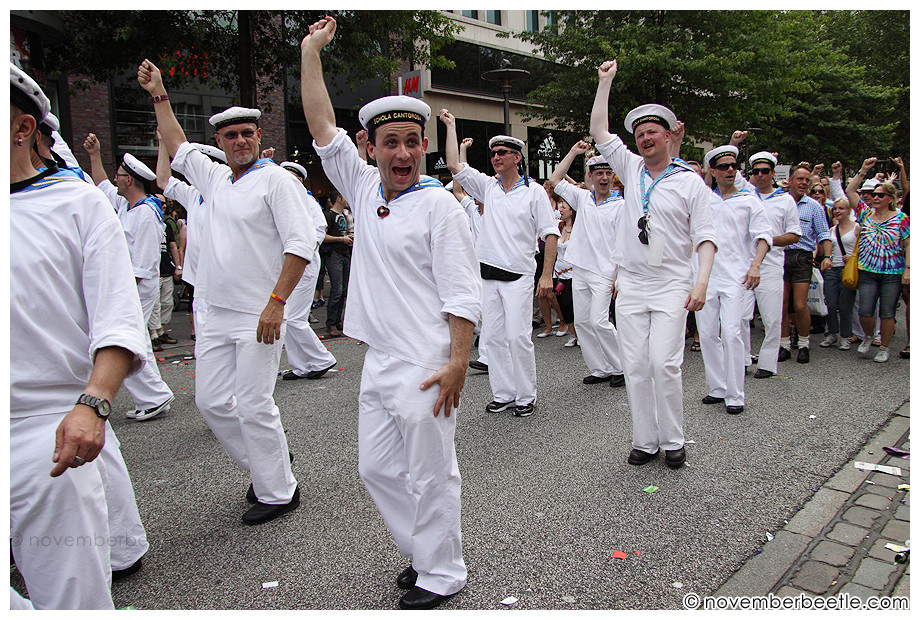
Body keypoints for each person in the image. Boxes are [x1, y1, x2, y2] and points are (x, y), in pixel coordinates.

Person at [300, 17, 481, 610]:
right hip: (380, 360)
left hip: (428, 362)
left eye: (411, 141)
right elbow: (321, 124)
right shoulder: (364, 187)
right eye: (390, 143)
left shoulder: (441, 209)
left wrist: (458, 363)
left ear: (424, 146)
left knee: (432, 475)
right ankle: (423, 552)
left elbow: (461, 293)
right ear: (369, 147)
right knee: (377, 471)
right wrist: (311, 53)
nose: (402, 153)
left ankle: (442, 572)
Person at [139, 59, 313, 525]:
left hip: (259, 313)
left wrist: (277, 304)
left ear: (258, 138)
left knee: (255, 402)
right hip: (213, 312)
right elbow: (175, 143)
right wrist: (159, 92)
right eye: (231, 135)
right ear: (218, 142)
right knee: (211, 402)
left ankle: (278, 490)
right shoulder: (213, 178)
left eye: (247, 133)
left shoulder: (275, 180)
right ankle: (269, 462)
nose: (240, 141)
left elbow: (300, 245)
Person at [10, 62, 149, 609]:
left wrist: (94, 404)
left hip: (42, 429)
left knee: (73, 596)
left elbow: (117, 317)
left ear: (23, 128)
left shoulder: (77, 204)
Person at [590, 59, 717, 469]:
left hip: (672, 283)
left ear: (668, 136)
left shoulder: (688, 181)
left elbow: (706, 238)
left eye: (652, 133)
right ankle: (644, 440)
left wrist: (700, 285)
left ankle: (674, 438)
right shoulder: (630, 168)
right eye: (639, 134)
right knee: (636, 365)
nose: (645, 139)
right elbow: (599, 132)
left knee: (664, 362)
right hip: (632, 283)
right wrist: (605, 83)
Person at [441, 111, 559, 418]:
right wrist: (451, 126)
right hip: (488, 275)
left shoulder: (534, 193)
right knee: (492, 339)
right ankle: (504, 393)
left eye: (502, 153)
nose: (495, 157)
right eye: (493, 153)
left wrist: (546, 275)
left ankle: (526, 395)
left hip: (519, 275)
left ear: (516, 157)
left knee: (518, 337)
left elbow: (550, 234)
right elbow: (454, 164)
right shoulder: (487, 187)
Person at [82, 134, 175, 420]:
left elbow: (144, 262)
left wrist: (124, 292)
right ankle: (155, 395)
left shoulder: (146, 213)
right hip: (128, 285)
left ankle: (154, 396)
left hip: (138, 285)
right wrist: (95, 155)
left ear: (129, 181)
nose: (115, 179)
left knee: (126, 336)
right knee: (136, 338)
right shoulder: (127, 206)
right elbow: (100, 186)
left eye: (119, 175)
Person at [697, 146, 771, 414]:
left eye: (734, 165)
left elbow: (764, 236)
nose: (730, 170)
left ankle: (735, 394)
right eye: (724, 166)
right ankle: (717, 388)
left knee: (731, 332)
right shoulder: (705, 199)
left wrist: (756, 265)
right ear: (713, 172)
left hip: (736, 277)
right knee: (706, 333)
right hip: (706, 276)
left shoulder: (749, 199)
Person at [549, 141, 625, 387]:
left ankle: (621, 367)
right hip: (579, 269)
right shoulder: (583, 198)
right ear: (590, 176)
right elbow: (555, 179)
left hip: (605, 272)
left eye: (608, 173)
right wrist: (573, 152)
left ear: (613, 176)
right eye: (599, 173)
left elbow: (624, 244)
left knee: (599, 321)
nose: (604, 178)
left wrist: (618, 276)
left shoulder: (621, 205)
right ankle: (600, 369)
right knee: (581, 322)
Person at [735, 151, 803, 379]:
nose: (760, 175)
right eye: (756, 171)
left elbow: (794, 235)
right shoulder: (745, 195)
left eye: (765, 171)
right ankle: (743, 358)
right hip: (744, 264)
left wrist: (766, 240)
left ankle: (767, 363)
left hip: (771, 265)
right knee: (741, 316)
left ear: (773, 173)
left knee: (772, 317)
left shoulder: (785, 200)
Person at [277, 160, 338, 379]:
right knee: (288, 318)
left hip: (304, 263)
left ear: (300, 180)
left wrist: (305, 251)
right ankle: (301, 366)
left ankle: (322, 359)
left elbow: (319, 227)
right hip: (287, 265)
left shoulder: (307, 199)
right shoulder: (284, 199)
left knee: (294, 318)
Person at [846, 158, 910, 362]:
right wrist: (864, 169)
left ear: (890, 198)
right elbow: (850, 191)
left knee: (888, 312)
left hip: (892, 272)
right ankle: (867, 337)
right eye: (873, 195)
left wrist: (908, 269)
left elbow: (909, 244)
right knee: (865, 310)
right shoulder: (865, 214)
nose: (875, 198)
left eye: (880, 195)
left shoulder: (901, 218)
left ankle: (884, 347)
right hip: (867, 270)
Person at [779, 164, 833, 364]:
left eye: (807, 180)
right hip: (781, 255)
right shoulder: (780, 201)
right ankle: (784, 345)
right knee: (782, 304)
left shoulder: (814, 207)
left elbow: (824, 234)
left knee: (800, 305)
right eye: (800, 179)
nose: (803, 183)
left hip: (802, 257)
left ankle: (803, 344)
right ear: (791, 180)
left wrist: (827, 256)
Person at [821, 198, 860, 350]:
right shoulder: (832, 229)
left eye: (841, 208)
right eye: (836, 208)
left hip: (847, 270)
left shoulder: (857, 228)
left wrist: (852, 257)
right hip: (832, 269)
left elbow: (862, 248)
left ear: (849, 210)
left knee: (845, 306)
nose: (837, 211)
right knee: (830, 303)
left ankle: (845, 336)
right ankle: (832, 333)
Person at [323, 191, 352, 338]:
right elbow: (323, 236)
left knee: (344, 290)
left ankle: (338, 320)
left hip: (345, 253)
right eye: (344, 197)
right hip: (334, 254)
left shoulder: (344, 216)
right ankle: (331, 323)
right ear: (339, 198)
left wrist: (348, 237)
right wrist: (341, 240)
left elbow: (343, 234)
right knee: (337, 289)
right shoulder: (328, 215)